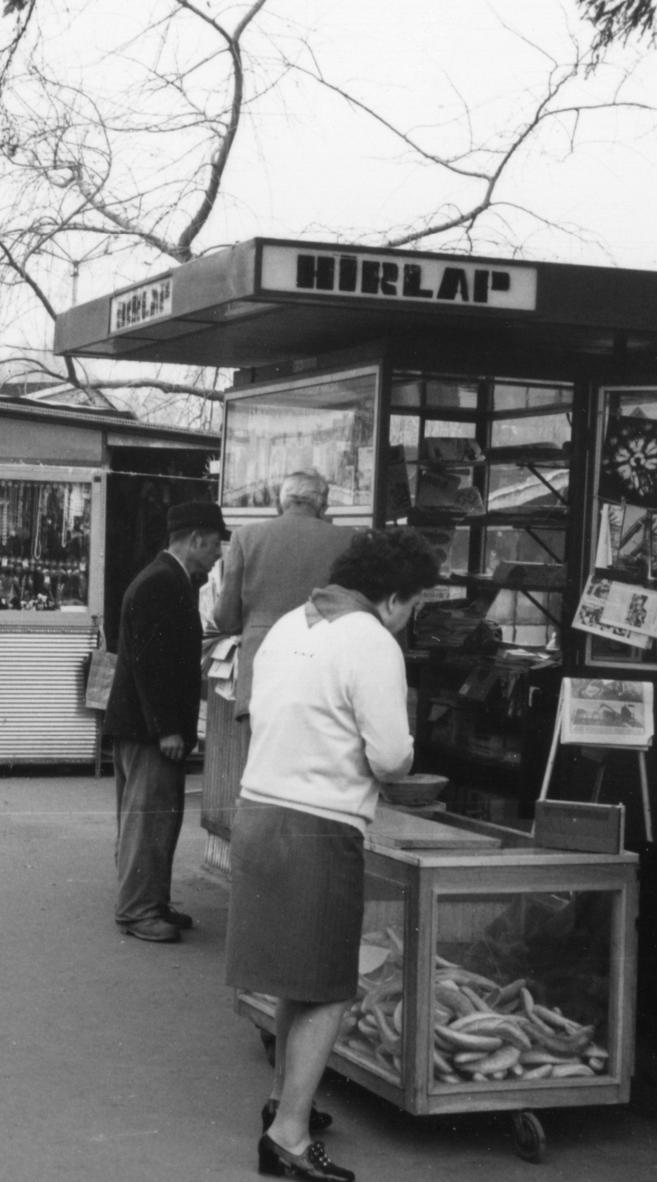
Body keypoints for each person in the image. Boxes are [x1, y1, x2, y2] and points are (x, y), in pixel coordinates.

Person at [226, 528, 439, 1182]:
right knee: (328, 989)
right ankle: (288, 1136)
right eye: (418, 605)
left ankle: (282, 1102)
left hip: (258, 812)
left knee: (297, 976)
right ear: (395, 599)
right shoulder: (372, 640)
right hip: (318, 828)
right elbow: (391, 756)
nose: (413, 619)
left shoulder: (293, 620)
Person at [102, 500, 228, 943]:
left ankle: (150, 901)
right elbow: (150, 664)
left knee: (156, 818)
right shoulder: (161, 583)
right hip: (148, 731)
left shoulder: (170, 579)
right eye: (214, 546)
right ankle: (137, 910)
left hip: (143, 726)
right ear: (194, 540)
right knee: (148, 820)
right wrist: (168, 729)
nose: (217, 556)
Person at [213, 469, 353, 719]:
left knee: (260, 755)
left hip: (261, 675)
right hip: (322, 678)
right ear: (323, 506)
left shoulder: (245, 537)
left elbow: (225, 617)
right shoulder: (348, 539)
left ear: (281, 503)